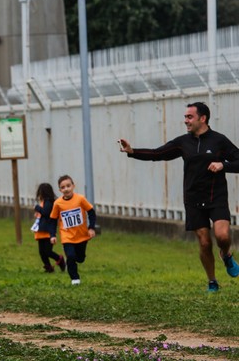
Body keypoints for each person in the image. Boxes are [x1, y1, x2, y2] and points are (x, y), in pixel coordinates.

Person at [119, 102, 239, 292]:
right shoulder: (183, 142)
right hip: (193, 199)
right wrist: (133, 152)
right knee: (205, 242)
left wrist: (223, 165)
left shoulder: (219, 141)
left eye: (189, 117)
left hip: (216, 196)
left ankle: (226, 255)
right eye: (185, 117)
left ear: (203, 118)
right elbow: (157, 153)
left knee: (222, 236)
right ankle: (212, 281)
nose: (185, 121)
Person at [49, 175, 96, 285]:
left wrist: (91, 227)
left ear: (73, 186)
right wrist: (52, 235)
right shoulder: (58, 203)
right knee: (70, 256)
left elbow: (91, 212)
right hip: (67, 236)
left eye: (68, 186)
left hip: (82, 235)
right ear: (60, 190)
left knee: (80, 258)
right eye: (63, 187)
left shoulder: (80, 199)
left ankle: (77, 259)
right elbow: (52, 219)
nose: (66, 189)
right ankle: (75, 278)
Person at [31, 183, 65, 273]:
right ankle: (48, 267)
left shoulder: (49, 202)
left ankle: (60, 259)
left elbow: (46, 213)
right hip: (41, 230)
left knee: (48, 251)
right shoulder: (44, 202)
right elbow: (43, 214)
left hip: (48, 230)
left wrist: (37, 208)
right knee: (42, 252)